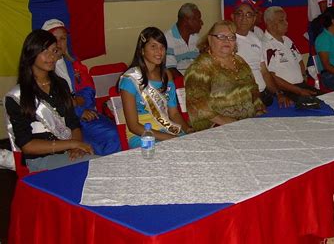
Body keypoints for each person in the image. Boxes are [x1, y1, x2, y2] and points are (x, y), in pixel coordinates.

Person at [4, 30, 95, 172]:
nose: (52, 56)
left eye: (54, 51)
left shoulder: (61, 85)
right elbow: (27, 145)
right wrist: (71, 144)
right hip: (40, 160)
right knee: (95, 167)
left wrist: (77, 146)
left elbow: (72, 122)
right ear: (31, 54)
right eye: (45, 51)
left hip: (67, 152)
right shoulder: (17, 96)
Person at [42, 19, 120, 156]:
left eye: (63, 38)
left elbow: (88, 90)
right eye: (55, 39)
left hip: (86, 115)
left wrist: (79, 104)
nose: (59, 43)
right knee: (89, 147)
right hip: (60, 123)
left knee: (115, 136)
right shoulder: (42, 70)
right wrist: (77, 110)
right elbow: (50, 104)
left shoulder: (75, 65)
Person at [185, 20, 266, 131]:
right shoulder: (200, 67)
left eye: (231, 37)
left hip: (247, 124)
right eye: (221, 36)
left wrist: (260, 113)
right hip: (216, 128)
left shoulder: (240, 61)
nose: (227, 40)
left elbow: (254, 91)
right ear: (210, 39)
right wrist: (228, 123)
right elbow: (197, 104)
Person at [119, 27, 193, 148]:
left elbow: (173, 114)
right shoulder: (130, 79)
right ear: (142, 50)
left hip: (168, 128)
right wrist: (171, 138)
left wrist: (187, 130)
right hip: (142, 135)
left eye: (162, 47)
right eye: (153, 46)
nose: (159, 51)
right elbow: (134, 126)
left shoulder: (166, 75)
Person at [231, 0, 289, 107]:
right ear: (233, 17)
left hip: (262, 96)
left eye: (249, 15)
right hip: (242, 99)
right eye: (240, 14)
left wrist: (278, 93)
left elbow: (264, 72)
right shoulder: (227, 39)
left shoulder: (255, 39)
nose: (244, 18)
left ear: (253, 19)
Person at [263, 7, 320, 108]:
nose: (286, 23)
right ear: (269, 23)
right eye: (281, 20)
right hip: (287, 91)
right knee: (312, 106)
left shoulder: (287, 40)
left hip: (300, 86)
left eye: (286, 19)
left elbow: (299, 60)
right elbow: (272, 77)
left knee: (325, 98)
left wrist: (304, 77)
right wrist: (298, 90)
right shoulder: (266, 45)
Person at [165, 3, 203, 78]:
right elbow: (170, 70)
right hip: (180, 83)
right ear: (186, 20)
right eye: (198, 19)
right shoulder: (167, 38)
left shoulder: (195, 37)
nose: (201, 22)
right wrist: (187, 82)